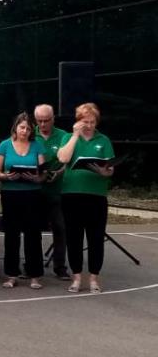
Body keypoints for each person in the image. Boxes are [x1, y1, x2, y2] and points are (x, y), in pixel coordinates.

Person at [57, 103, 114, 294]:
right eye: (85, 122)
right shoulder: (67, 137)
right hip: (72, 194)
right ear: (78, 121)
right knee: (74, 237)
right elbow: (63, 158)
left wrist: (104, 171)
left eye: (92, 122)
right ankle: (76, 277)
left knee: (96, 237)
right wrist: (75, 136)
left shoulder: (103, 140)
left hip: (96, 195)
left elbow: (110, 168)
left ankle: (94, 278)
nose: (89, 126)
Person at [0, 113, 46, 289]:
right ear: (15, 127)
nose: (24, 131)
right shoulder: (5, 145)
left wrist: (36, 178)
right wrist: (6, 176)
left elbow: (43, 172)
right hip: (11, 193)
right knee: (11, 234)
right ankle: (11, 274)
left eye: (28, 129)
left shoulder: (37, 146)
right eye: (22, 127)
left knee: (33, 235)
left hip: (32, 194)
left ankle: (35, 275)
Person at [34, 104, 70, 280]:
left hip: (57, 190)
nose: (42, 124)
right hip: (35, 190)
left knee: (60, 228)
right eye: (39, 121)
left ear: (53, 118)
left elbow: (68, 161)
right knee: (33, 229)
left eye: (46, 120)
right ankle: (33, 265)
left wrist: (59, 173)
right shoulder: (29, 134)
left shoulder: (63, 136)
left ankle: (60, 266)